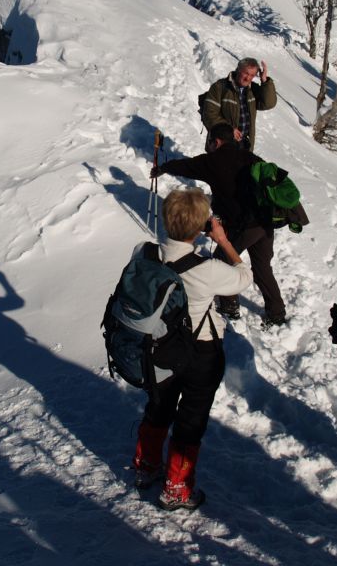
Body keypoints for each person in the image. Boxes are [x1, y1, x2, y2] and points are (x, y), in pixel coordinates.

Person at [131, 188, 252, 510]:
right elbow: (243, 278)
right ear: (201, 227)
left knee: (158, 406)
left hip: (158, 345)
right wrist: (223, 241)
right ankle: (177, 487)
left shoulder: (143, 252)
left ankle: (145, 468)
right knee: (191, 418)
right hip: (201, 351)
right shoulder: (207, 268)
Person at [151, 123, 286, 326]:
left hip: (243, 226)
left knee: (223, 259)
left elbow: (186, 166)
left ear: (216, 142)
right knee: (263, 267)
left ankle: (229, 306)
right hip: (265, 223)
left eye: (210, 142)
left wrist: (163, 168)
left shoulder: (213, 162)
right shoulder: (251, 158)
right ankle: (277, 313)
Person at [201, 57, 277, 151]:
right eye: (246, 73)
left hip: (244, 145)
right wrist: (228, 130)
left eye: (252, 75)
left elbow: (269, 103)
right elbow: (209, 114)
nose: (248, 78)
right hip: (221, 144)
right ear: (238, 70)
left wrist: (265, 81)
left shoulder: (252, 89)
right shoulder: (220, 87)